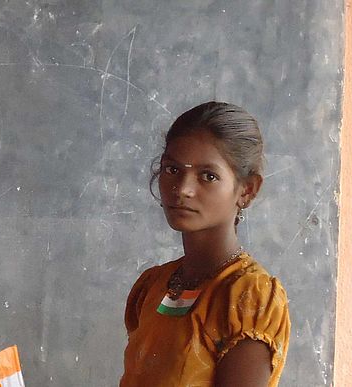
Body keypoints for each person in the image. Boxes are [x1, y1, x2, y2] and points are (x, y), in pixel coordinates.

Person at [120, 102, 291, 386]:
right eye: (172, 169)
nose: (183, 189)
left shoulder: (247, 297)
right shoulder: (152, 286)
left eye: (208, 176)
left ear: (247, 190)